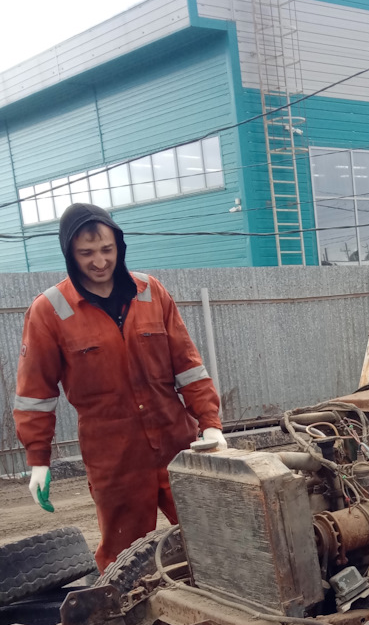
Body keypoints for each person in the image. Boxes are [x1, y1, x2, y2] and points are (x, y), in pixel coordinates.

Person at [14, 202, 226, 571]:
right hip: (114, 457)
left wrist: (210, 423)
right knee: (124, 561)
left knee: (218, 535)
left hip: (178, 443)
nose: (99, 261)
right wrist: (38, 461)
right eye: (86, 253)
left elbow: (188, 366)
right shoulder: (50, 311)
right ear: (69, 254)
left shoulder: (151, 292)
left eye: (107, 250)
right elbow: (35, 394)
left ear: (119, 246)